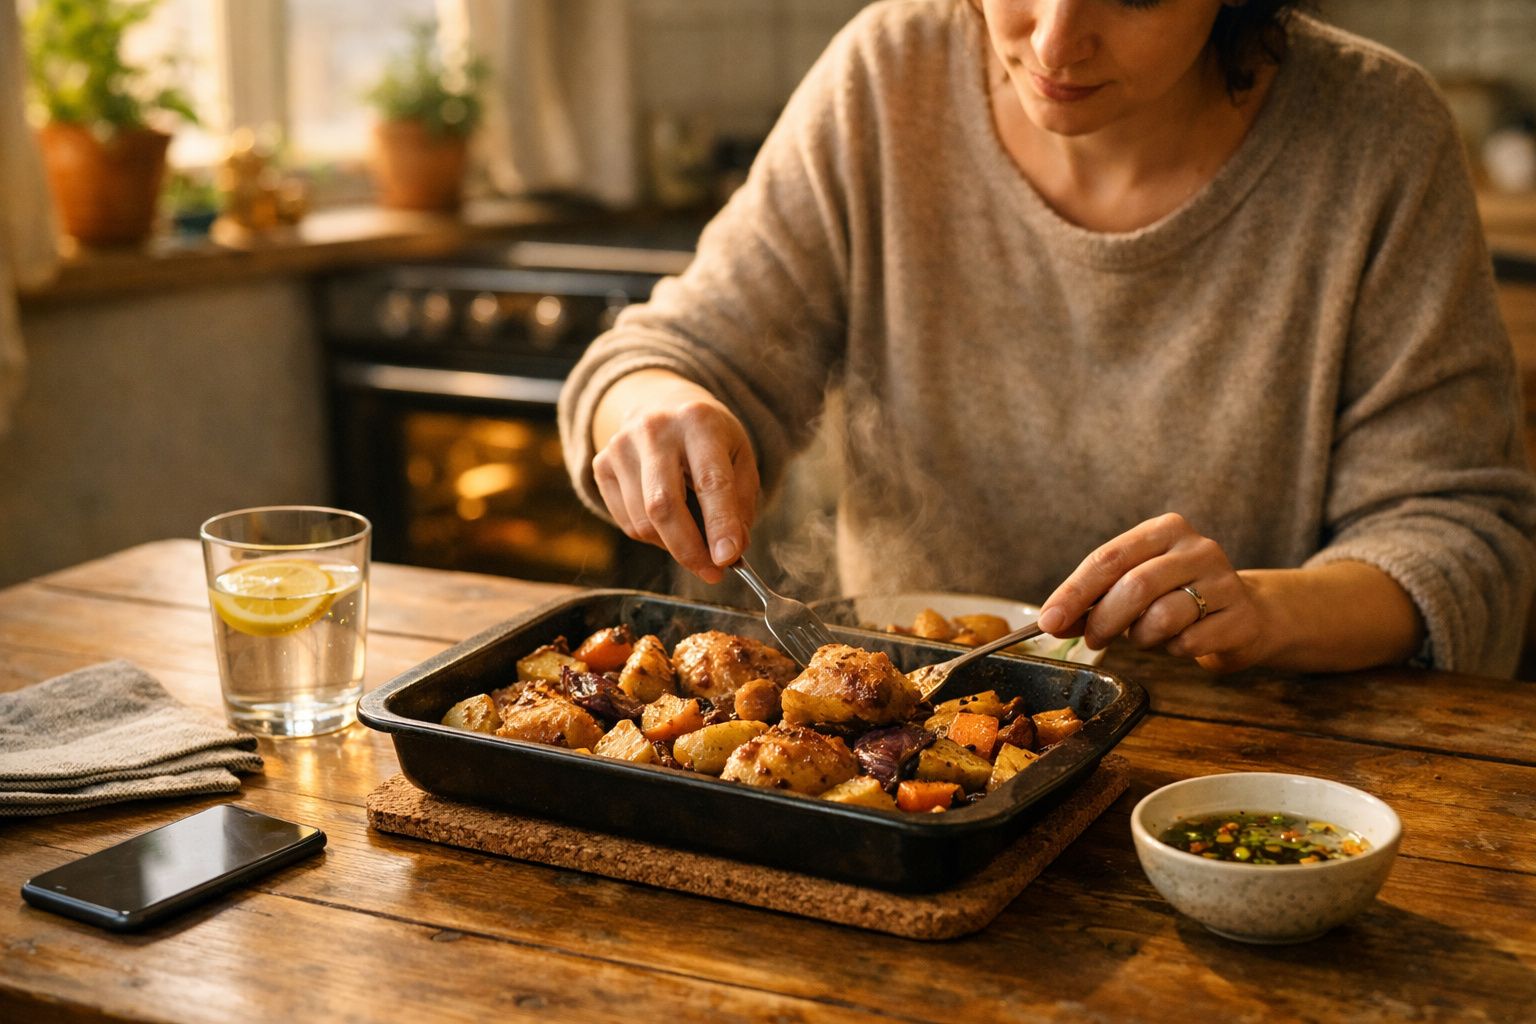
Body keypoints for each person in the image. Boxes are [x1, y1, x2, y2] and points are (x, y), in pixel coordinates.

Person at [558, 0, 1536, 677]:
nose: (1056, 42)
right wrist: (655, 403)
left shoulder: (1378, 137)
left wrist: (1270, 611)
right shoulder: (886, 77)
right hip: (903, 742)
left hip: (1237, 768)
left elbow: (1466, 543)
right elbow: (667, 356)